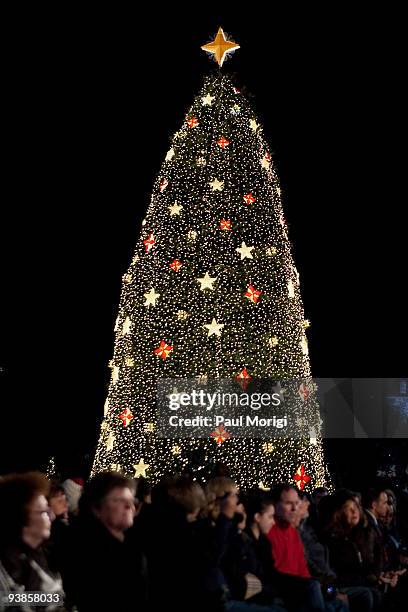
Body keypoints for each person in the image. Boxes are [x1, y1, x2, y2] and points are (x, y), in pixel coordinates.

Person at [61, 471, 147, 611]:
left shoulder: (132, 545)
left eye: (131, 500)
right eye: (118, 500)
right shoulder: (84, 551)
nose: (129, 507)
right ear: (96, 507)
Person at [0, 472, 66, 611]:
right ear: (22, 519)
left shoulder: (40, 554)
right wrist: (50, 597)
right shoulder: (8, 562)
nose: (51, 515)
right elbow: (5, 600)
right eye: (42, 511)